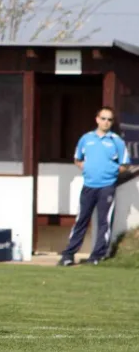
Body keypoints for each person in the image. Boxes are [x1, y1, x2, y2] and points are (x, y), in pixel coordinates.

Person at [58, 106, 130, 266]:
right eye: (103, 118)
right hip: (89, 185)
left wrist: (111, 171)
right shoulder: (86, 139)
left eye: (109, 120)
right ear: (97, 119)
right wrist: (87, 168)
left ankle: (97, 256)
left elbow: (125, 164)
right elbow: (77, 159)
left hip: (107, 187)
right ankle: (68, 255)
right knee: (81, 220)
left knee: (104, 221)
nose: (106, 122)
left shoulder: (116, 141)